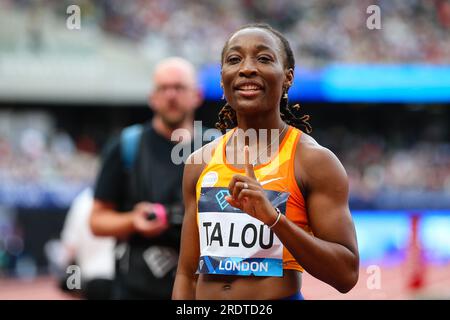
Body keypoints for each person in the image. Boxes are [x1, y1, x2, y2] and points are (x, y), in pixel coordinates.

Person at [173, 23, 359, 300]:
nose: (247, 68)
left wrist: (273, 219)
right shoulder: (199, 163)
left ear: (288, 78)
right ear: (223, 79)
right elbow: (186, 274)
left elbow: (346, 275)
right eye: (234, 59)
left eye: (263, 58)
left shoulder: (313, 161)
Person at [90, 57, 205, 299]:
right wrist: (133, 220)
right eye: (164, 88)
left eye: (179, 87)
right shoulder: (126, 146)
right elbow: (97, 220)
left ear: (197, 95)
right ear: (152, 97)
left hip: (200, 290)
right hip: (135, 288)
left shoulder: (216, 149)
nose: (171, 95)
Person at [58, 188, 115, 299]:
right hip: (120, 280)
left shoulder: (81, 202)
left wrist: (73, 285)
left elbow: (70, 250)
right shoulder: (123, 196)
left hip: (91, 280)